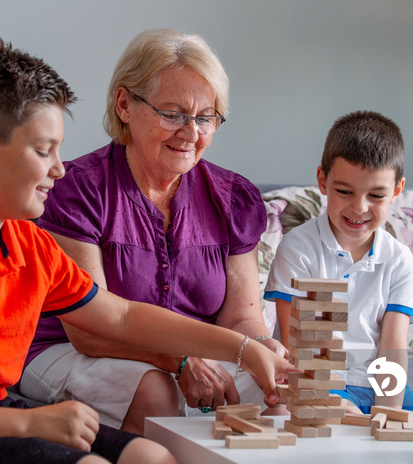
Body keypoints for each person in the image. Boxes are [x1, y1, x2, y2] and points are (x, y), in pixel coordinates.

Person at [0, 36, 294, 464]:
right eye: (44, 150)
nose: (59, 169)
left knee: (150, 456)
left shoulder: (30, 247)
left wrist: (245, 349)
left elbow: (121, 316)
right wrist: (26, 422)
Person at [20, 28, 287, 435]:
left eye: (205, 117)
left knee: (282, 397)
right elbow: (88, 329)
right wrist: (178, 358)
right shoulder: (78, 190)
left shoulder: (233, 199)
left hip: (197, 355)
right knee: (155, 392)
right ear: (125, 104)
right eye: (173, 114)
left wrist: (261, 347)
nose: (191, 133)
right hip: (68, 348)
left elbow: (240, 318)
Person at [264, 111, 413, 414]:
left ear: (396, 191)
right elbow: (297, 347)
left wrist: (389, 419)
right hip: (321, 381)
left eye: (376, 195)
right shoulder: (299, 248)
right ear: (322, 180)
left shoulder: (398, 259)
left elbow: (392, 352)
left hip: (380, 383)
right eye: (345, 191)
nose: (359, 207)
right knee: (341, 424)